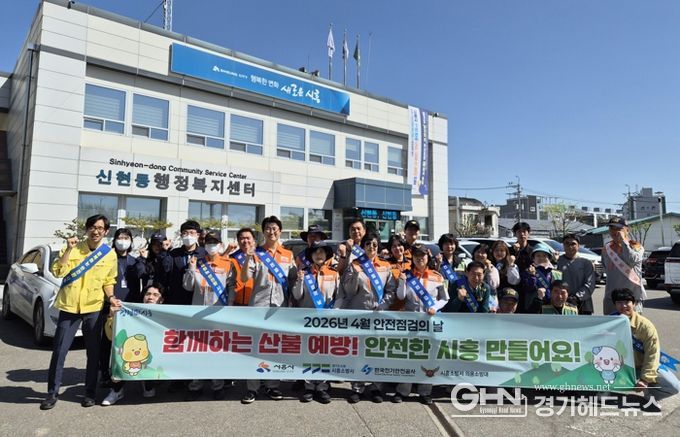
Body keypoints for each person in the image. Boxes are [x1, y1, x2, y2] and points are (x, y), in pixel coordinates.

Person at [41, 214, 120, 410]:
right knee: (59, 351)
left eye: (100, 228)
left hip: (93, 308)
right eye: (92, 227)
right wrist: (68, 249)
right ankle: (52, 393)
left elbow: (109, 281)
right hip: (69, 307)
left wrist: (111, 297)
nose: (96, 231)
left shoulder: (109, 254)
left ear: (106, 231)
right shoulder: (73, 248)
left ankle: (90, 393)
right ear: (87, 229)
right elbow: (58, 271)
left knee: (93, 353)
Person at [335, 232, 397, 403]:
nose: (371, 247)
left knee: (378, 352)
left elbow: (391, 290)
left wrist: (383, 305)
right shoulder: (355, 264)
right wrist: (355, 274)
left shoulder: (385, 266)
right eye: (368, 244)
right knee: (359, 352)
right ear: (363, 247)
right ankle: (357, 387)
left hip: (379, 315)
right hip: (359, 314)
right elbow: (349, 291)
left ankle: (376, 387)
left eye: (375, 244)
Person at [240, 216, 296, 404]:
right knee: (255, 347)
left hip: (280, 307)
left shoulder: (288, 255)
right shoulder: (256, 253)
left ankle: (272, 385)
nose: (271, 232)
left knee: (275, 346)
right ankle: (252, 388)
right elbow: (245, 278)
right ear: (263, 232)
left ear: (280, 231)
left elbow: (293, 280)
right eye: (268, 229)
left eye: (275, 228)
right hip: (258, 306)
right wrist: (248, 258)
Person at [393, 244, 448, 405]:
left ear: (428, 257)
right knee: (409, 357)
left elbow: (445, 298)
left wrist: (435, 307)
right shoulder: (407, 275)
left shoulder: (437, 276)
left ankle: (425, 392)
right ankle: (403, 390)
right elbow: (401, 296)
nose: (420, 258)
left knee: (429, 357)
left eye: (423, 255)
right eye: (416, 256)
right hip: (411, 323)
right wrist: (402, 282)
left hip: (430, 322)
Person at [183, 230, 234, 400]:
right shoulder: (197, 262)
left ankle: (217, 385)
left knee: (217, 350)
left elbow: (231, 287)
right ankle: (195, 385)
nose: (212, 245)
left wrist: (230, 307)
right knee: (196, 350)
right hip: (198, 313)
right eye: (209, 242)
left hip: (218, 313)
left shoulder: (228, 263)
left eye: (215, 242)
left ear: (220, 244)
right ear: (204, 245)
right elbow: (188, 286)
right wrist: (191, 269)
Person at [611, 288, 680, 404]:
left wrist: (645, 379)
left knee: (674, 386)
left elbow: (652, 354)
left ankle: (650, 394)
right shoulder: (609, 322)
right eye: (619, 302)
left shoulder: (645, 326)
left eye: (627, 302)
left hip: (641, 366)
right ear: (614, 304)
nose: (623, 306)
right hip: (618, 367)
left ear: (634, 303)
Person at [101, 283, 165, 406]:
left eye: (155, 295)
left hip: (151, 355)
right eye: (148, 294)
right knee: (120, 353)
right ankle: (116, 390)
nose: (150, 297)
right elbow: (110, 336)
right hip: (131, 354)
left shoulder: (166, 316)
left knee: (149, 391)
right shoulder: (130, 313)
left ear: (161, 300)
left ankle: (148, 383)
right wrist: (111, 316)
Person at [291, 241, 338, 404]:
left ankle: (322, 387)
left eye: (322, 252)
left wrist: (335, 313)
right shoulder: (304, 273)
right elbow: (297, 296)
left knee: (325, 354)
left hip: (327, 321)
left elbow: (338, 296)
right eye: (315, 252)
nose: (319, 255)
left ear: (326, 255)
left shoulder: (334, 273)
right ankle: (309, 386)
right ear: (310, 256)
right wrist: (299, 281)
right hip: (308, 321)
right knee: (309, 353)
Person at [99, 228, 146, 387]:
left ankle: (125, 371)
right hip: (110, 305)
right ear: (114, 240)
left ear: (131, 241)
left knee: (127, 342)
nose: (123, 241)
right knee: (107, 341)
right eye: (120, 237)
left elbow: (142, 274)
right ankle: (104, 373)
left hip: (129, 306)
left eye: (126, 238)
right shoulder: (107, 258)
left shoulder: (134, 260)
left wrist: (142, 259)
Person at [601, 217, 645, 315]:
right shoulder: (606, 248)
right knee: (611, 324)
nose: (615, 232)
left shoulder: (636, 246)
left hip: (631, 299)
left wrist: (624, 242)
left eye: (618, 229)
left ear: (627, 230)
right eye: (612, 228)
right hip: (611, 298)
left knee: (632, 324)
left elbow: (632, 260)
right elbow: (605, 267)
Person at [164, 220, 206, 305]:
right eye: (185, 233)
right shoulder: (174, 254)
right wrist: (164, 251)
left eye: (192, 233)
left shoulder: (204, 253)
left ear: (198, 235)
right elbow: (166, 272)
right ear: (181, 235)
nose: (188, 236)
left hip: (199, 297)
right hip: (177, 298)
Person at [556, 234, 596, 315]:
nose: (570, 246)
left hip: (583, 304)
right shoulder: (557, 261)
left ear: (578, 246)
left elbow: (590, 284)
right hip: (561, 302)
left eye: (573, 244)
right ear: (563, 245)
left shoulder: (586, 263)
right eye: (567, 243)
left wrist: (577, 297)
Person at [518, 247, 561, 314]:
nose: (541, 258)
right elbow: (529, 288)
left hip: (551, 307)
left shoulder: (555, 272)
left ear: (549, 258)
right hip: (534, 306)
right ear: (533, 258)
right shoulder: (528, 271)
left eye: (544, 256)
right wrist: (532, 276)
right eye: (538, 256)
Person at [227, 227, 257, 306]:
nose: (245, 241)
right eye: (242, 238)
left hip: (255, 301)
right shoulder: (232, 257)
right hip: (236, 301)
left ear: (253, 239)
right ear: (238, 240)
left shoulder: (260, 257)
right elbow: (230, 282)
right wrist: (230, 301)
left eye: (248, 238)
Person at [384, 234, 411, 311]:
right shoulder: (386, 264)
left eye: (399, 245)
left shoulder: (411, 263)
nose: (397, 248)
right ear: (390, 249)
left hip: (410, 308)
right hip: (392, 307)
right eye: (394, 246)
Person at [472, 244, 500, 311]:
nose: (480, 254)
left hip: (489, 302)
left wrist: (489, 270)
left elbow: (494, 285)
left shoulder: (492, 269)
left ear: (487, 255)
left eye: (483, 253)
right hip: (472, 300)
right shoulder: (469, 266)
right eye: (478, 252)